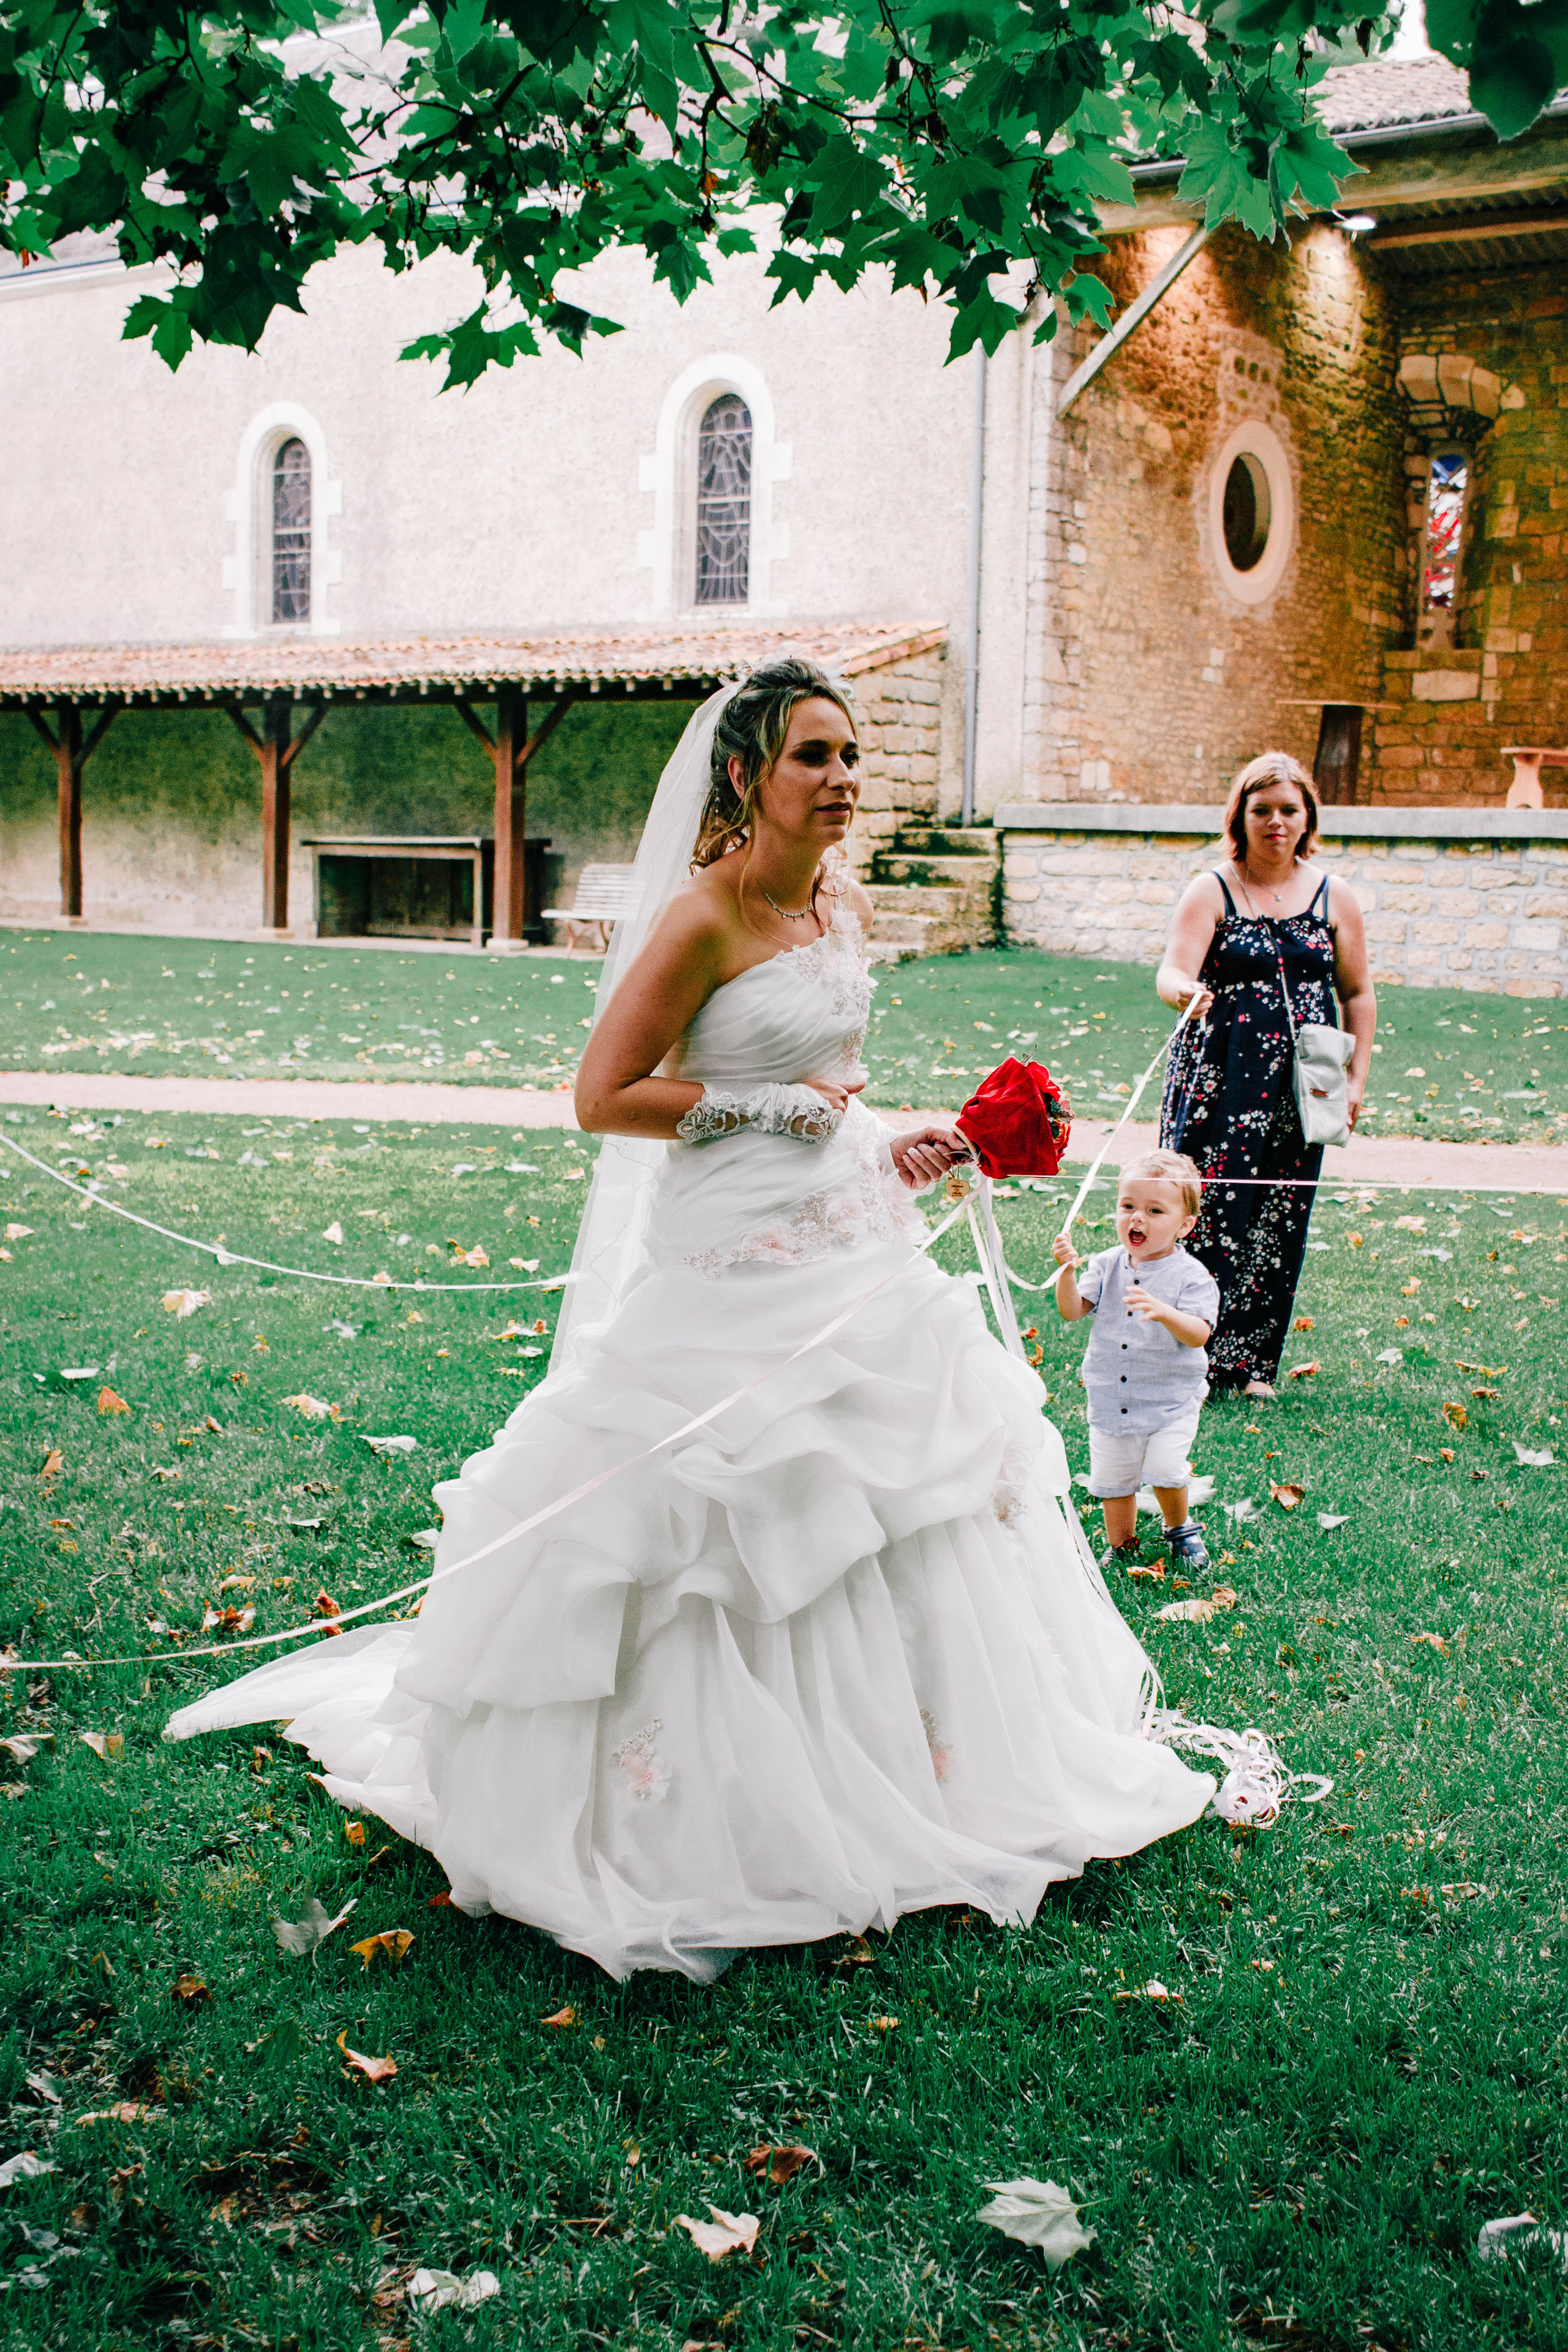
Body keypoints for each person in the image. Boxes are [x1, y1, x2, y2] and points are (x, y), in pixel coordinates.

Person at [167, 657, 1226, 1984]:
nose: (841, 781)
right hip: (729, 1255)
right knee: (720, 1508)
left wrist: (889, 1140)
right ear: (744, 777)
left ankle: (930, 1768)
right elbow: (603, 1095)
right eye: (811, 759)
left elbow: (834, 1080)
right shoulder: (699, 920)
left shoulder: (836, 903)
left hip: (849, 1239)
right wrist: (755, 1111)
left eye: (848, 756)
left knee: (902, 1486)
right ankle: (706, 1810)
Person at [1155, 752, 1376, 1402]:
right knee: (1208, 1212)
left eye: (1288, 809)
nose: (1275, 822)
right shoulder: (1212, 889)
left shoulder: (1335, 895)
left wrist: (1356, 1079)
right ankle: (1188, 1358)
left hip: (1307, 1082)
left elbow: (1358, 993)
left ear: (1307, 817)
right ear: (1240, 817)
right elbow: (1170, 969)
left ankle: (1252, 1366)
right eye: (1261, 810)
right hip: (1219, 1080)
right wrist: (1184, 993)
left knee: (1281, 1214)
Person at [1051, 1150, 1218, 1575]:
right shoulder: (1107, 1264)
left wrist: (1164, 1312)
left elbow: (1199, 1333)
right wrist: (1067, 1272)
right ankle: (1121, 1544)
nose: (1136, 1219)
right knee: (1113, 1478)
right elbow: (1072, 1311)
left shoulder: (1192, 1276)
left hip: (1171, 1398)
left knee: (1165, 1469)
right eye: (1128, 1206)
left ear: (1185, 1224)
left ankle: (1181, 1528)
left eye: (1154, 1210)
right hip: (1113, 1395)